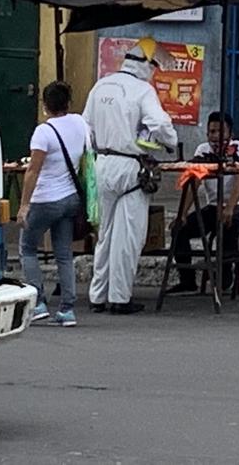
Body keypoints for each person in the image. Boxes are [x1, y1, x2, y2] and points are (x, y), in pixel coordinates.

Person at [83, 38, 177, 314]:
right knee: (129, 236)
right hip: (130, 167)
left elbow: (86, 126)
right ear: (146, 65)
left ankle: (97, 296)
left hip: (102, 164)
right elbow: (159, 124)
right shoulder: (142, 90)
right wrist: (169, 139)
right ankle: (120, 298)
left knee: (105, 235)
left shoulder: (101, 86)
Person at [17, 81, 89, 327]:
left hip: (45, 199)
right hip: (70, 199)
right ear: (68, 103)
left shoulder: (43, 132)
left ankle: (38, 303)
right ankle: (68, 309)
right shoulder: (80, 123)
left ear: (45, 105)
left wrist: (24, 206)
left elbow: (33, 171)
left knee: (27, 248)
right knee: (64, 254)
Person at [167, 111, 239, 294]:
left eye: (219, 132)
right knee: (179, 230)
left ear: (230, 133)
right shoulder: (202, 150)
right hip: (213, 207)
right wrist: (182, 214)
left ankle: (225, 278)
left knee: (228, 226)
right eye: (212, 132)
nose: (215, 136)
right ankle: (187, 280)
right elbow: (194, 184)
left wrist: (230, 207)